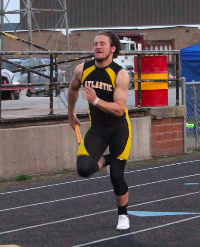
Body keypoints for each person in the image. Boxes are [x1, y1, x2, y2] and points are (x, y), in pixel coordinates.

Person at [67, 30, 132, 231]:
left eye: (102, 43)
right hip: (97, 128)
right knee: (84, 169)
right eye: (95, 43)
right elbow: (73, 88)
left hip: (118, 128)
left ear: (112, 48)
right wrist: (70, 113)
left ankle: (123, 215)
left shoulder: (120, 74)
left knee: (116, 176)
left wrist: (95, 100)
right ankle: (109, 158)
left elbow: (119, 109)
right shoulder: (82, 69)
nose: (97, 46)